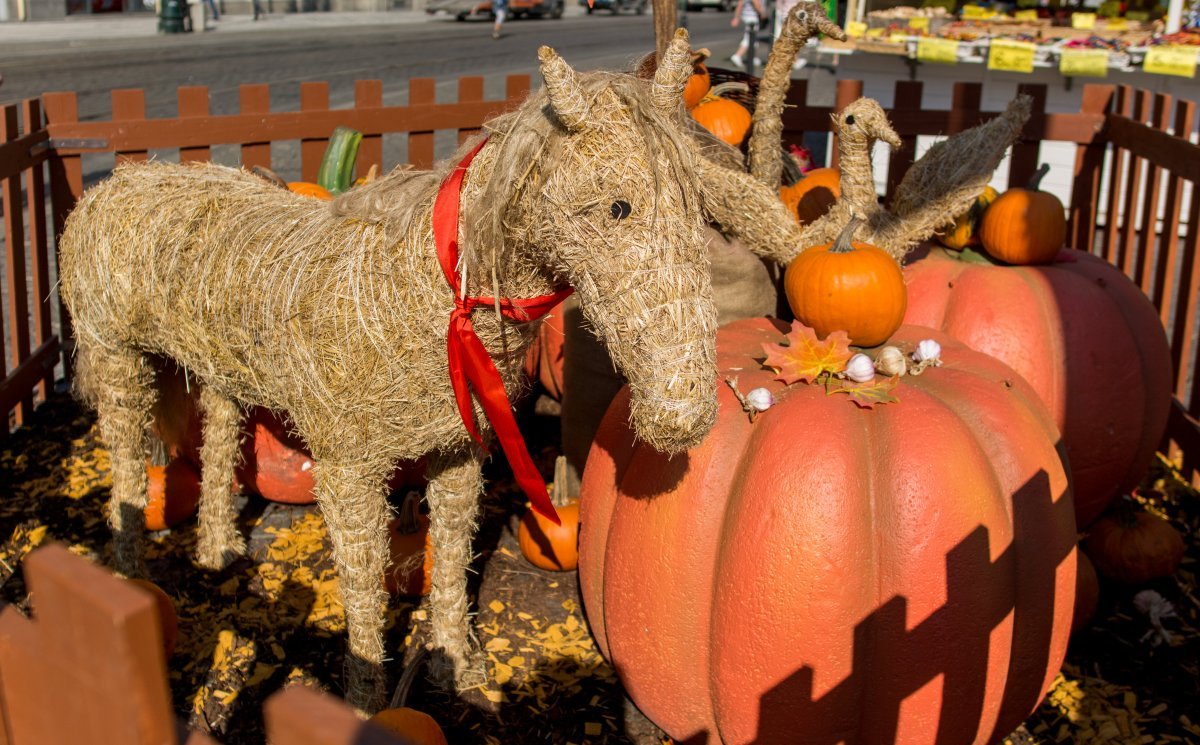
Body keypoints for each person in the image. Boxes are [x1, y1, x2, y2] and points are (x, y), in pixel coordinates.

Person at [729, 0, 766, 70]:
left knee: (753, 39)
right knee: (749, 39)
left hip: (746, 16)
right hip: (753, 17)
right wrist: (762, 14)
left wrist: (736, 18)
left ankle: (753, 57)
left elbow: (740, 4)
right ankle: (737, 56)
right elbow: (756, 3)